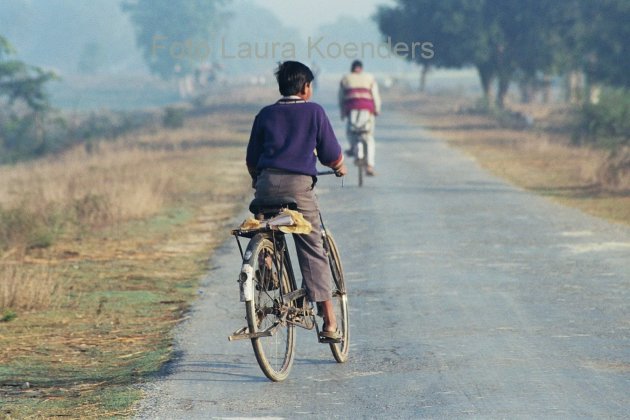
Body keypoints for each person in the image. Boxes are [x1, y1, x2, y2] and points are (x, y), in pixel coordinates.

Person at [246, 61, 348, 342]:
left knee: (267, 224)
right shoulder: (314, 111)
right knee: (313, 248)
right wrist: (339, 166)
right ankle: (329, 322)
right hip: (298, 189)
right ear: (305, 88)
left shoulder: (265, 115)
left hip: (266, 187)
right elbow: (331, 154)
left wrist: (258, 179)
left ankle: (266, 258)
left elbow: (251, 160)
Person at [338, 60, 381, 176]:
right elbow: (375, 95)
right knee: (369, 137)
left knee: (351, 132)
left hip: (351, 110)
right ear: (361, 69)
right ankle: (370, 166)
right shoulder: (369, 78)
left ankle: (354, 149)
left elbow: (341, 97)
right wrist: (377, 109)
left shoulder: (345, 78)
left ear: (352, 69)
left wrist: (342, 112)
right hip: (367, 110)